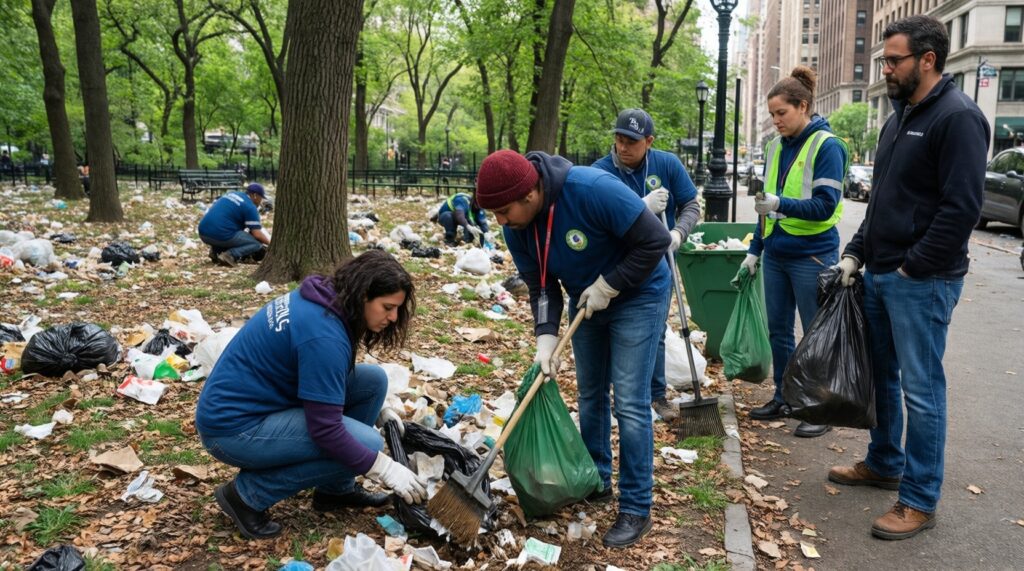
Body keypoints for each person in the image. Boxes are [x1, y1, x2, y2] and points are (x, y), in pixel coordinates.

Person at [831, 15, 989, 540]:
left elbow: (961, 208)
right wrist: (855, 253)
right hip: (878, 272)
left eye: (893, 59)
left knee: (922, 390)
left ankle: (919, 499)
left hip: (922, 279)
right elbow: (881, 201)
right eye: (883, 59)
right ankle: (884, 463)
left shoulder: (958, 117)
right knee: (883, 378)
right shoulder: (899, 116)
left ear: (927, 59)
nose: (885, 68)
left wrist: (911, 267)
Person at [474, 149, 670, 548]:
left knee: (629, 402)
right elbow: (541, 286)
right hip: (587, 299)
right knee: (590, 392)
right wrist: (545, 337)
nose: (500, 222)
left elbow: (655, 241)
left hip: (639, 293)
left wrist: (611, 283)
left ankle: (636, 506)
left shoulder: (592, 189)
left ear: (530, 194)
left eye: (504, 211)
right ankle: (596, 478)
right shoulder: (517, 227)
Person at [196, 250, 427, 539]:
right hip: (232, 430)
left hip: (258, 404)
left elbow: (320, 374)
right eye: (387, 307)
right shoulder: (324, 335)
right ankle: (246, 496)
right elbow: (325, 430)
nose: (393, 317)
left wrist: (381, 410)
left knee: (373, 382)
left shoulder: (323, 297)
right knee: (366, 443)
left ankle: (335, 490)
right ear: (363, 294)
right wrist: (384, 468)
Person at [740, 66, 849, 439]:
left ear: (802, 106)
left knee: (816, 334)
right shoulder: (774, 147)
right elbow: (763, 208)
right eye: (771, 114)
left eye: (781, 113)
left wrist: (779, 204)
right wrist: (755, 250)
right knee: (779, 332)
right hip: (778, 253)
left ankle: (819, 408)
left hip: (812, 255)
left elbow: (824, 205)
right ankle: (784, 398)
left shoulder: (827, 146)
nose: (775, 121)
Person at [592, 108, 701, 422]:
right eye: (619, 139)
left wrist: (678, 233)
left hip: (659, 267)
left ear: (649, 141)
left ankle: (655, 395)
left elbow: (691, 203)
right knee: (617, 330)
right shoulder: (601, 172)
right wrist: (641, 207)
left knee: (656, 332)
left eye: (632, 142)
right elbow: (597, 222)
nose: (623, 147)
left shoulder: (666, 164)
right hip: (618, 266)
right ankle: (621, 395)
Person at [198, 183, 271, 267]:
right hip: (220, 234)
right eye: (261, 198)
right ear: (255, 195)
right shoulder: (250, 207)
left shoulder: (231, 193)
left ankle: (216, 251)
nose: (261, 201)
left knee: (228, 229)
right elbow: (257, 234)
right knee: (255, 244)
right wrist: (271, 244)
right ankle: (229, 255)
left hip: (203, 232)